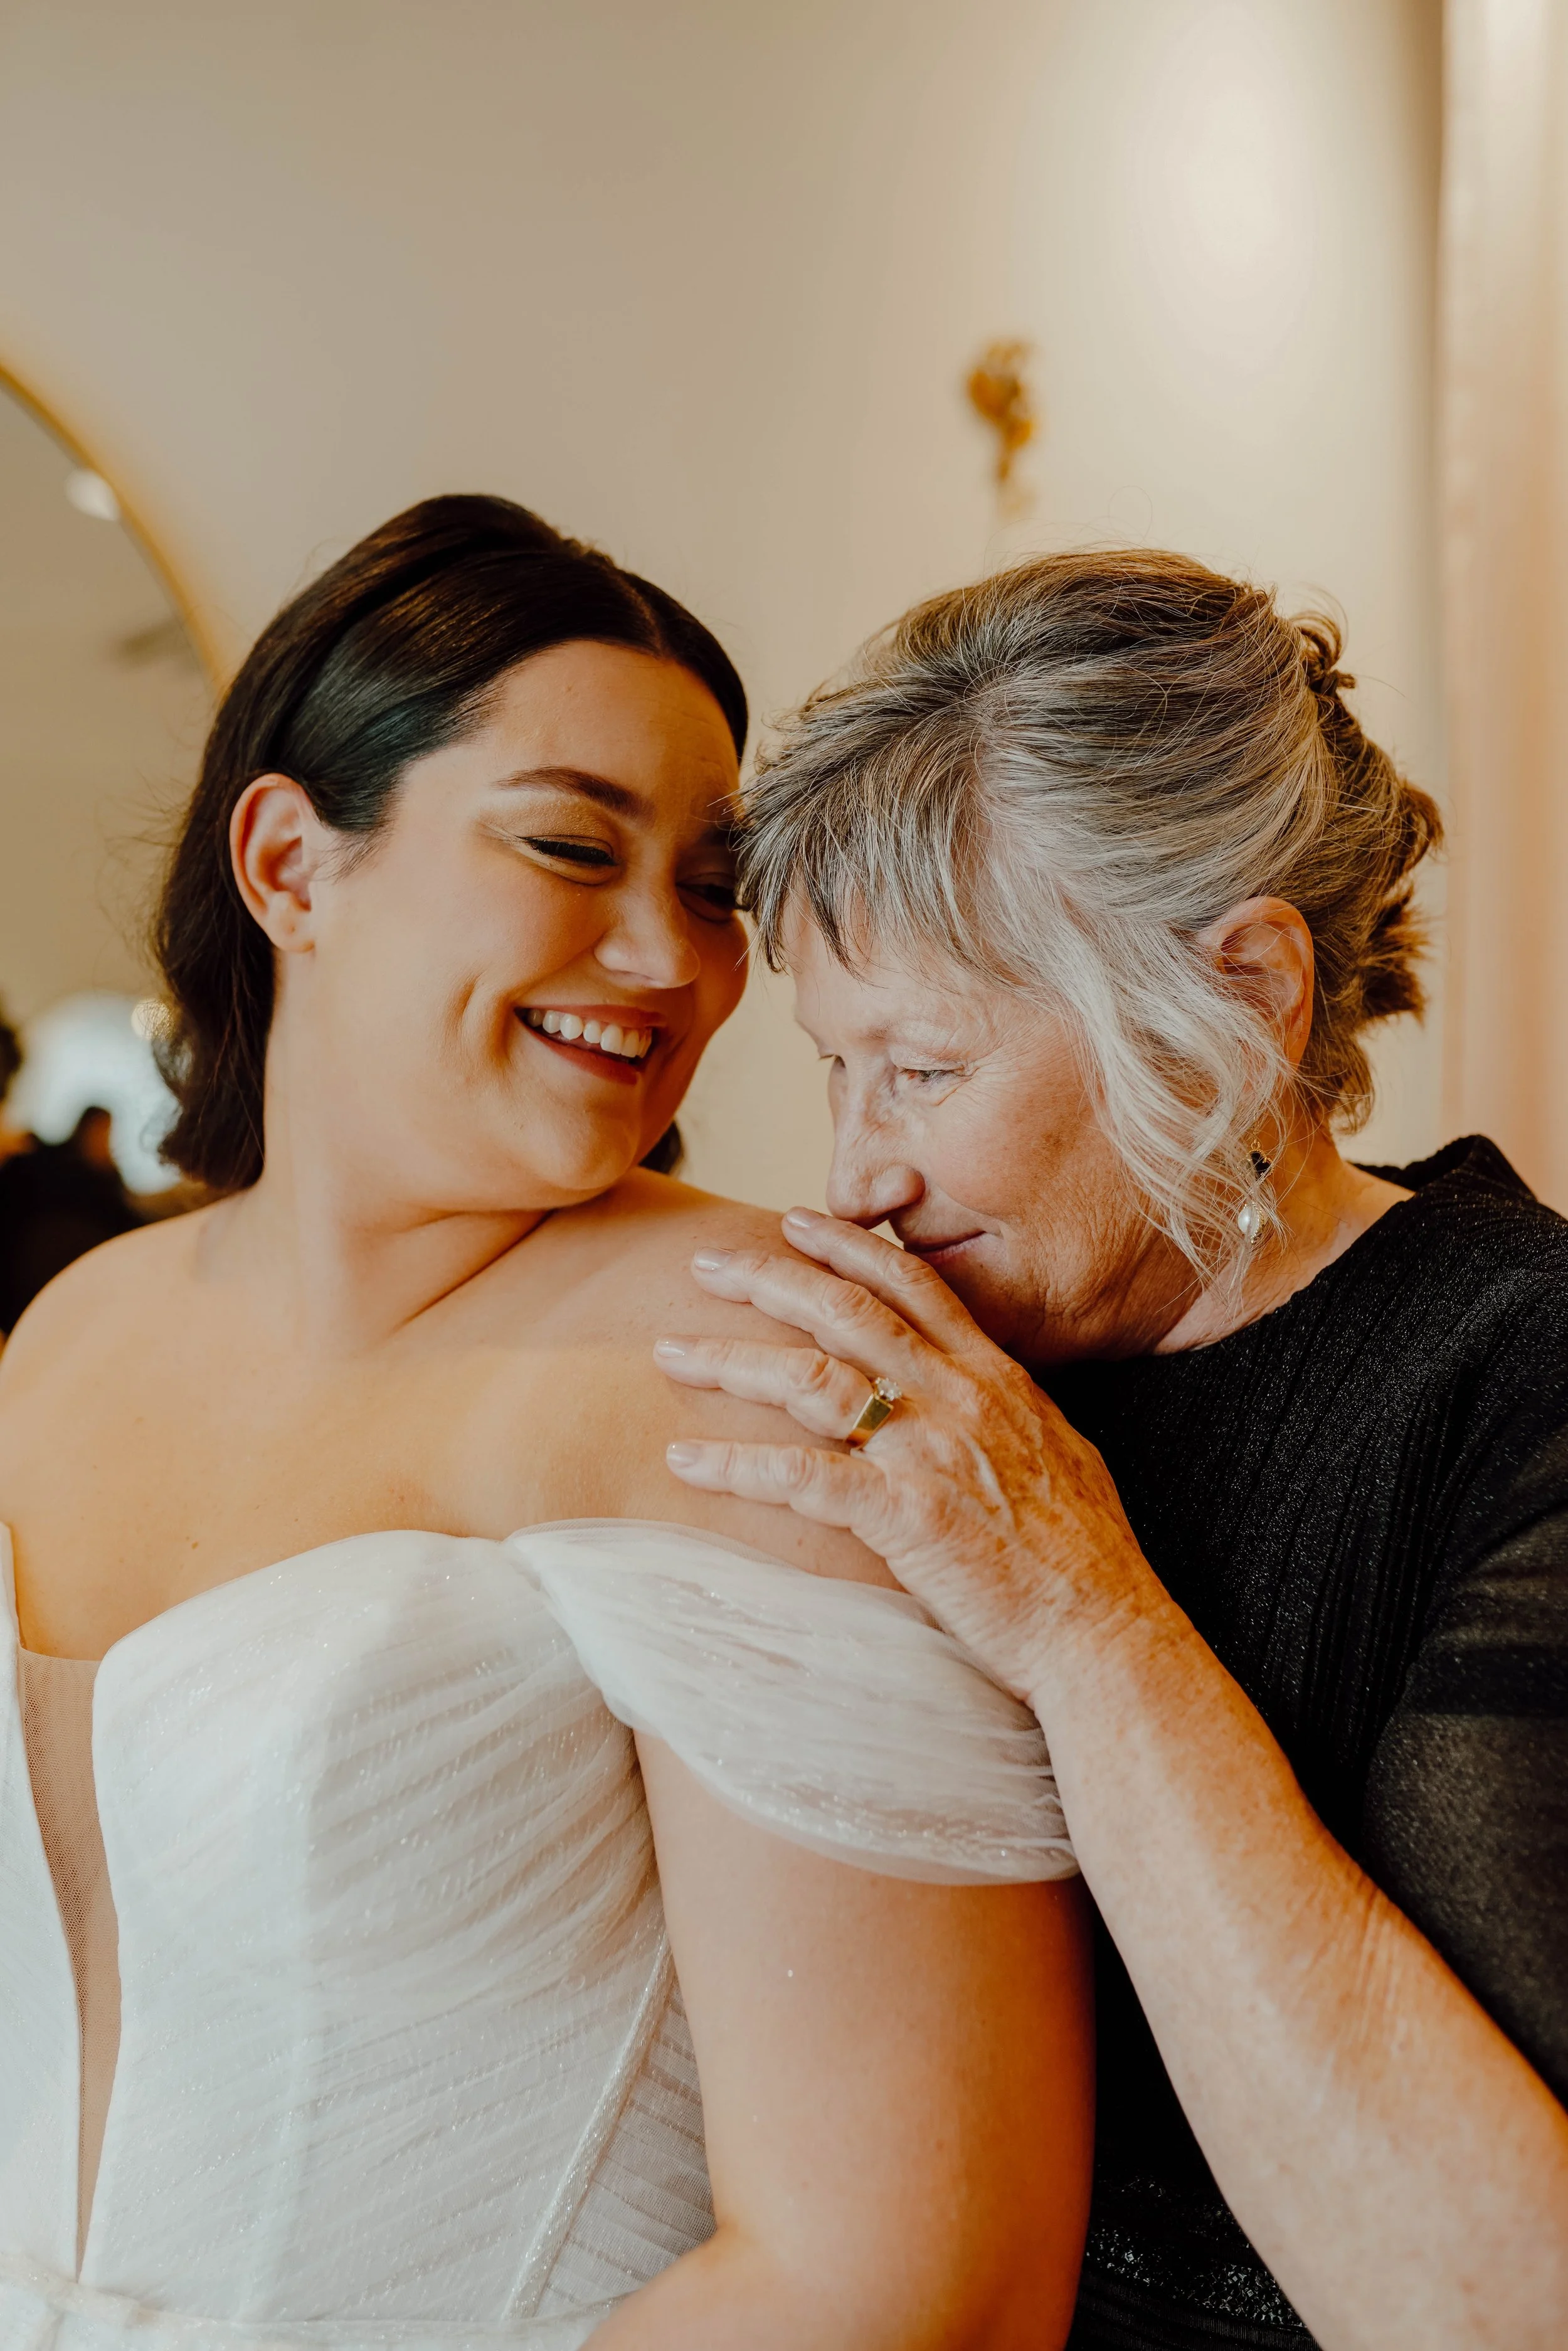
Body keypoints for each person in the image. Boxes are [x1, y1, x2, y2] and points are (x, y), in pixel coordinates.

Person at [0, 498, 1093, 2348]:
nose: (668, 962)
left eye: (710, 887)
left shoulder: (768, 1355)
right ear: (291, 863)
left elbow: (914, 2270)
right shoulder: (69, 1334)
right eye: (572, 847)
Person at [657, 551, 1568, 2351]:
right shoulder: (941, 1376)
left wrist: (1082, 1616)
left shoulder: (1514, 1377)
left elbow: (1490, 2303)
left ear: (1239, 1003)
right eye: (833, 1071)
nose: (854, 1176)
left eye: (916, 1070)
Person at [0, 1103, 144, 1335]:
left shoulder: (109, 1181)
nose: (105, 1141)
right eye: (101, 1131)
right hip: (37, 1284)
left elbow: (127, 1221)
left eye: (108, 1133)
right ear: (85, 1128)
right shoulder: (49, 1165)